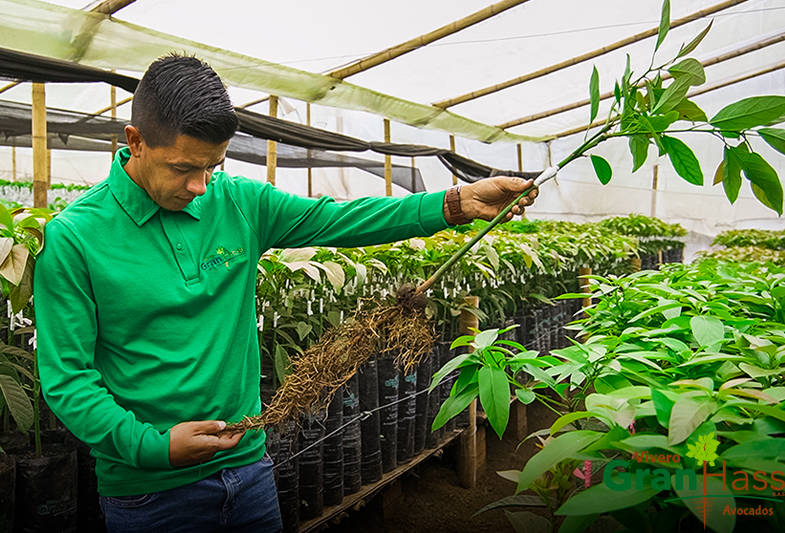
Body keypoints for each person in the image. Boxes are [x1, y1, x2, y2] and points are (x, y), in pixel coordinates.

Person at [34, 54, 538, 533]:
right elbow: (68, 379)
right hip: (150, 494)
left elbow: (338, 218)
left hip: (250, 470)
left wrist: (455, 202)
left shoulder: (238, 201)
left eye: (212, 166)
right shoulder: (75, 238)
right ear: (135, 140)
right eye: (183, 168)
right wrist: (152, 448)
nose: (200, 186)